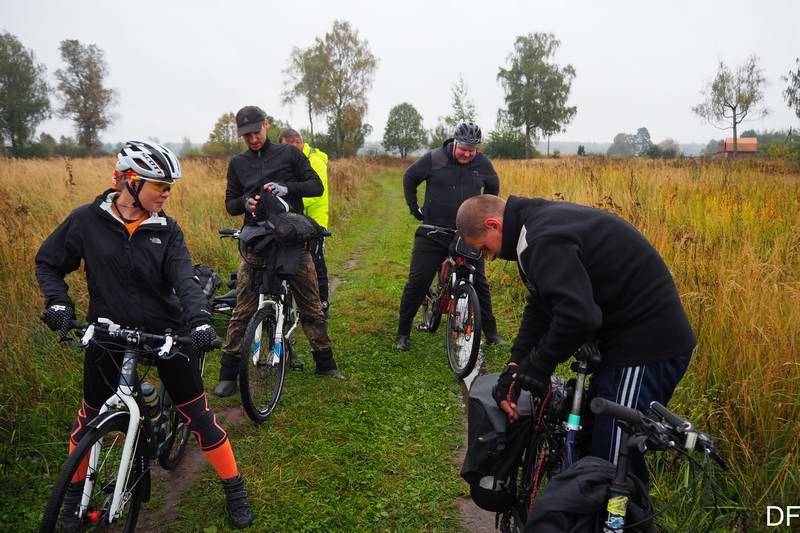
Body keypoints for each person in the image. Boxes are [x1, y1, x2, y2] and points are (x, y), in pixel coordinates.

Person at [35, 141, 254, 529]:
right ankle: (73, 494)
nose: (167, 194)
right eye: (161, 186)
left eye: (170, 188)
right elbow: (49, 263)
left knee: (200, 418)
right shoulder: (86, 220)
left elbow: (184, 280)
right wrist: (58, 303)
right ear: (131, 182)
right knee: (88, 419)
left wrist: (200, 321)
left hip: (166, 333)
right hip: (107, 332)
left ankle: (234, 487)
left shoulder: (167, 230)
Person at [455, 194, 696, 483]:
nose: (490, 258)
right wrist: (518, 363)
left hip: (646, 346)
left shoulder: (541, 239)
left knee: (614, 460)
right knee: (592, 440)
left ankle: (622, 523)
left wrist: (540, 364)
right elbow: (542, 302)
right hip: (620, 341)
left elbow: (579, 316)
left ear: (493, 224)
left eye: (484, 250)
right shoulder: (531, 229)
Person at [214, 106, 344, 398]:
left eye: (256, 132)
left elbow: (316, 186)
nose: (253, 139)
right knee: (243, 308)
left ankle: (325, 362)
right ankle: (228, 373)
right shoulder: (238, 163)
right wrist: (245, 203)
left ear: (266, 125)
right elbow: (230, 204)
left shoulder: (289, 154)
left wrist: (287, 189)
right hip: (256, 242)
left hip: (291, 241)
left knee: (310, 303)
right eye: (246, 136)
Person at [396, 122, 505, 351]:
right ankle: (403, 332)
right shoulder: (435, 158)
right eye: (463, 148)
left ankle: (492, 333)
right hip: (433, 232)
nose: (467, 153)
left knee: (480, 282)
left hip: (468, 233)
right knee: (418, 281)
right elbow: (410, 177)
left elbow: (493, 188)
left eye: (471, 150)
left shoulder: (483, 164)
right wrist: (414, 207)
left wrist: (485, 215)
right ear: (455, 142)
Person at [277, 128, 331, 317]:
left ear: (297, 143)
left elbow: (316, 194)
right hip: (294, 223)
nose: (284, 153)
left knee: (316, 262)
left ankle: (322, 303)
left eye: (286, 148)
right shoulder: (292, 161)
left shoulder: (315, 161)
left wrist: (286, 204)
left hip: (315, 222)